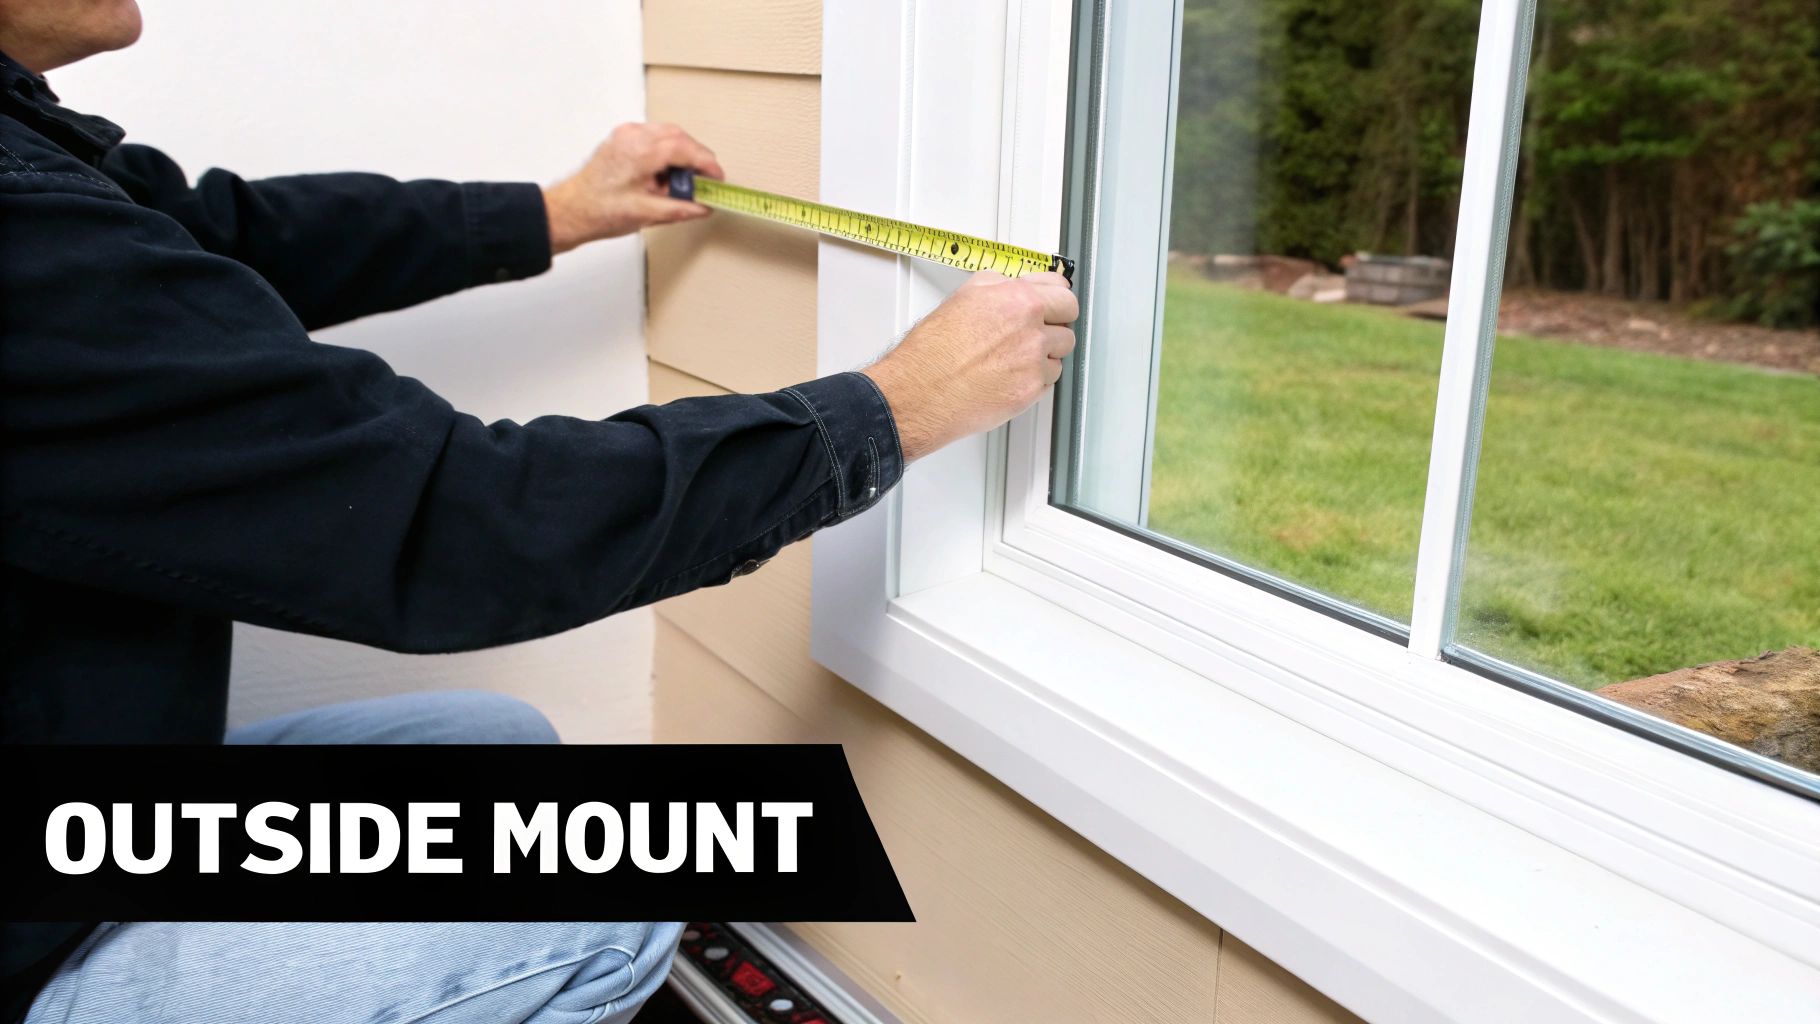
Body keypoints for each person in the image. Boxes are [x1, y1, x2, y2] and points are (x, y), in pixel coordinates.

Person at [0, 1, 1078, 1022]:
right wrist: (885, 411)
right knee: (610, 863)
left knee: (490, 746)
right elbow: (456, 520)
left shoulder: (35, 167)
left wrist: (557, 210)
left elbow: (213, 238)